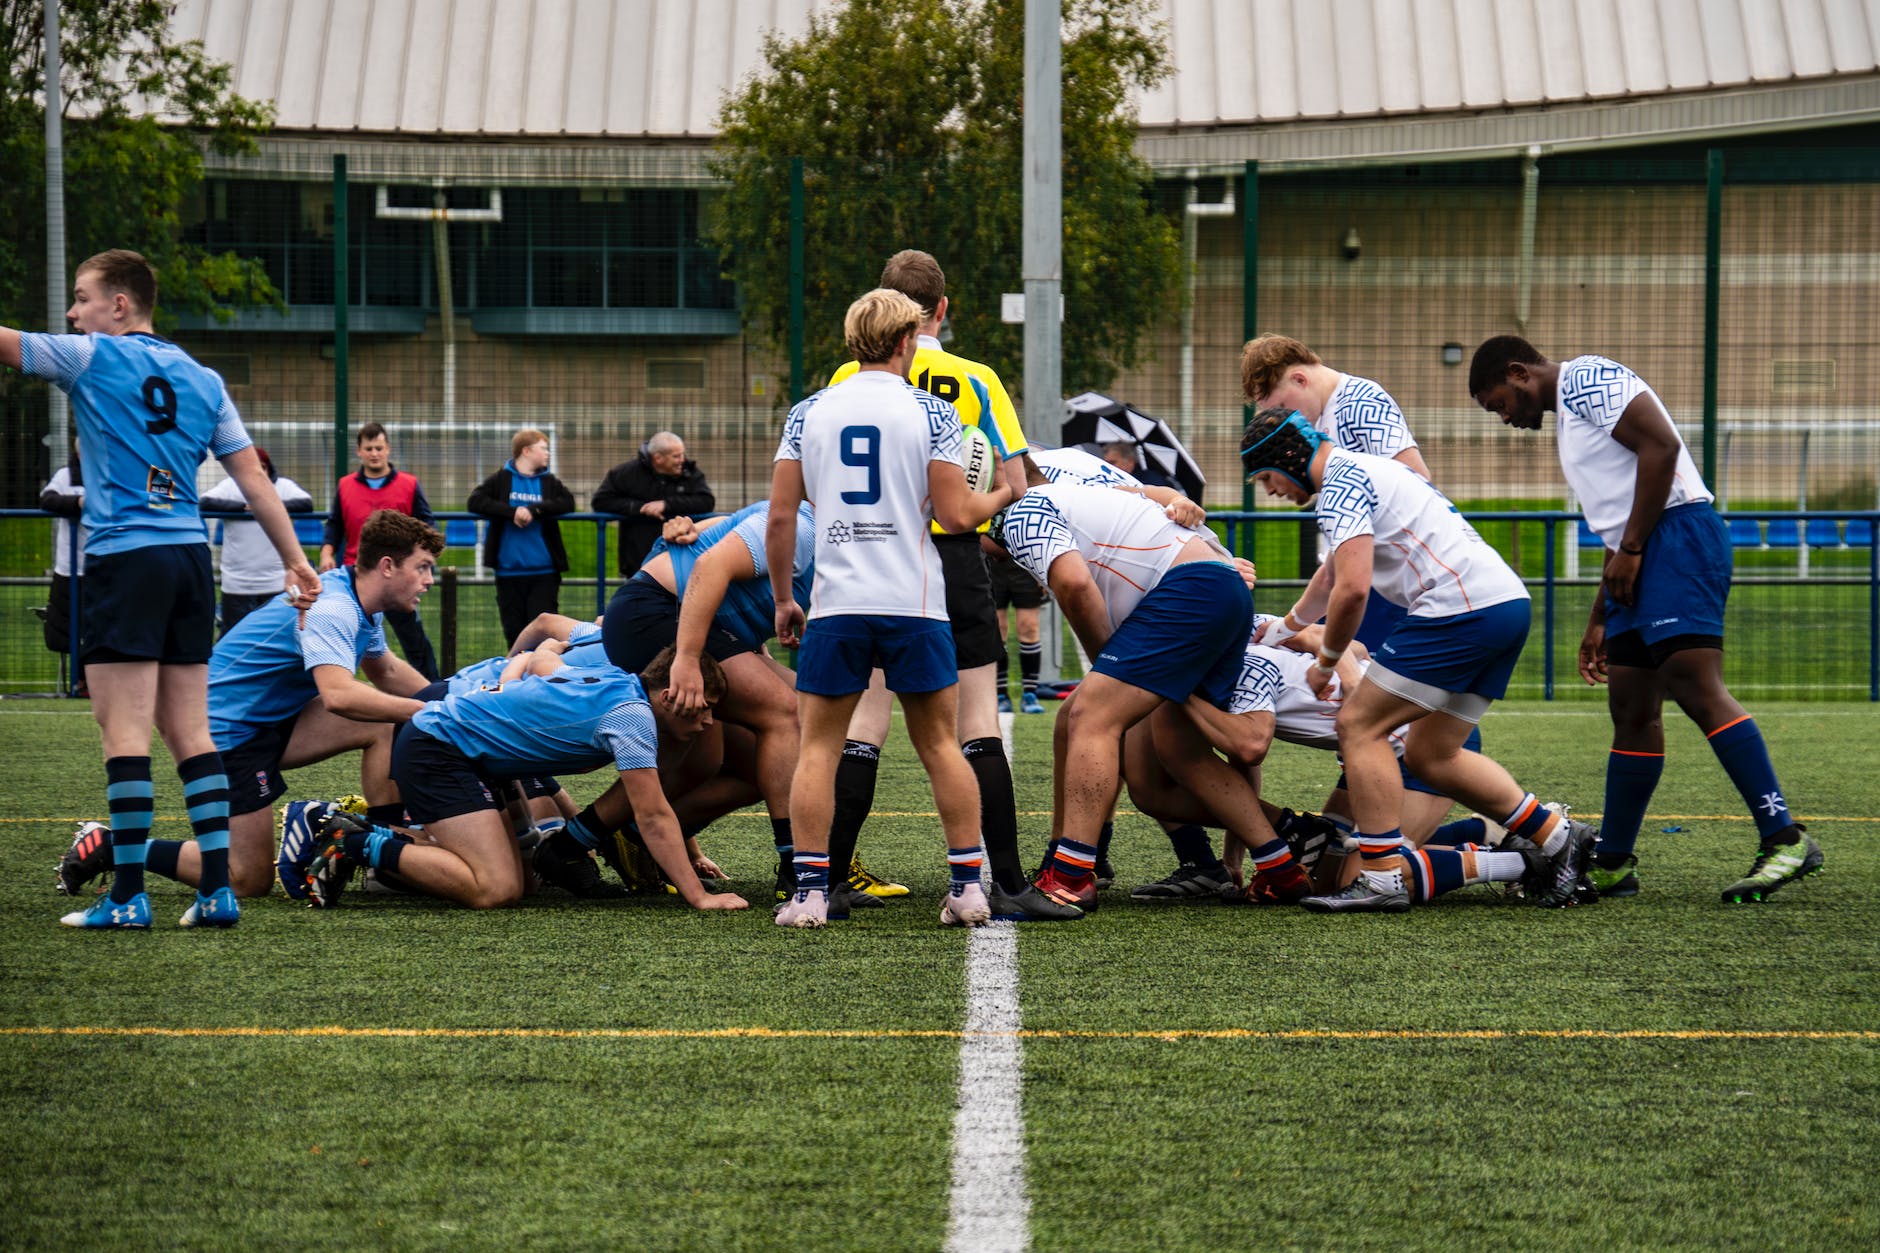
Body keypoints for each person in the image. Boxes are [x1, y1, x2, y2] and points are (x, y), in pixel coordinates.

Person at [2, 247, 321, 930]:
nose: (72, 312)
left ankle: (124, 896)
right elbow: (254, 482)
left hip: (127, 558)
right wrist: (295, 559)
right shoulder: (203, 378)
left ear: (120, 304)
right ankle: (215, 892)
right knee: (191, 731)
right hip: (187, 559)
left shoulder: (90, 356)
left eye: (82, 297)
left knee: (122, 729)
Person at [1469, 336, 1823, 903]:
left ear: (1518, 373)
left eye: (1499, 404)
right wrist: (1601, 616)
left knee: (1693, 683)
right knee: (1631, 707)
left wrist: (1634, 551)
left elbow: (1660, 448)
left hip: (1679, 537)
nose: (1504, 418)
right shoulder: (1570, 419)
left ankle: (1784, 838)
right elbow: (1620, 513)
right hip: (1641, 551)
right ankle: (1612, 862)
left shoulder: (1586, 377)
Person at [1239, 406, 1595, 913]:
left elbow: (1353, 590)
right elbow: (1331, 577)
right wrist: (1287, 629)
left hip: (1458, 610)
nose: (1269, 489)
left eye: (1265, 475)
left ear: (1289, 457)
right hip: (1505, 605)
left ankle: (1382, 878)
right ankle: (1560, 838)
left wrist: (1326, 660)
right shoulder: (1369, 469)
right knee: (1433, 754)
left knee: (1359, 725)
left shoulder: (1339, 486)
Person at [822, 250, 1066, 919]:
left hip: (869, 560)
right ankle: (1010, 884)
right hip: (953, 560)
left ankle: (830, 879)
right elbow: (1016, 483)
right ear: (943, 309)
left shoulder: (848, 376)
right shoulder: (977, 379)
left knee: (864, 721)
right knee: (976, 719)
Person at [765, 287, 1014, 929]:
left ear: (852, 342)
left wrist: (784, 598)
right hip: (915, 600)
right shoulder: (933, 414)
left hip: (837, 601)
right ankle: (966, 888)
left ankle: (813, 894)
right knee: (939, 745)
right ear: (907, 341)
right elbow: (958, 514)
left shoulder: (808, 412)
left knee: (819, 748)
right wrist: (1002, 495)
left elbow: (781, 517)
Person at [55, 510, 444, 904]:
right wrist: (429, 712)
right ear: (388, 566)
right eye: (423, 568)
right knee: (246, 879)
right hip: (225, 732)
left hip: (274, 720)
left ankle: (384, 863)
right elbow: (339, 696)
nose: (429, 580)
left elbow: (388, 671)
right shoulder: (334, 607)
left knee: (382, 725)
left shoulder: (362, 604)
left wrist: (454, 699)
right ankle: (110, 846)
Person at [994, 474, 1311, 913]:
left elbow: (1075, 585)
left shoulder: (1017, 512)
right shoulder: (1056, 488)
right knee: (1154, 782)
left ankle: (1069, 876)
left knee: (1089, 716)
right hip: (1212, 587)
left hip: (1189, 592)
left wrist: (1103, 659)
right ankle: (1282, 863)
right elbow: (1143, 496)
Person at [307, 645, 747, 913]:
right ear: (670, 695)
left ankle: (354, 832)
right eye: (705, 705)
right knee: (494, 890)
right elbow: (651, 815)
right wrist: (698, 896)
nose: (710, 721)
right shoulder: (632, 716)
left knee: (526, 881)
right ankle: (351, 843)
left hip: (467, 749)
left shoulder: (619, 682)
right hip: (438, 746)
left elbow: (544, 665)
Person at [320, 421, 439, 680]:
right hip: (359, 576)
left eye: (379, 448)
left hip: (398, 575)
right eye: (369, 448)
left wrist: (422, 564)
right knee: (351, 637)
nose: (374, 453)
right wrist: (327, 552)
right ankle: (340, 681)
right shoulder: (345, 486)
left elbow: (427, 524)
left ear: (388, 450)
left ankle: (432, 688)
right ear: (359, 452)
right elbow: (335, 524)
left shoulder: (409, 484)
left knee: (413, 639)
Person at [468, 428, 576, 646]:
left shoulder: (549, 482)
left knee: (544, 634)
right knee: (514, 632)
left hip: (544, 572)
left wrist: (534, 510)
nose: (547, 453)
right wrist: (512, 512)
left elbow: (567, 502)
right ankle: (515, 677)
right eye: (543, 448)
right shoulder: (500, 479)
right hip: (509, 572)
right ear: (526, 451)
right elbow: (476, 501)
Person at [201, 446, 315, 635]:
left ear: (269, 468)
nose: (258, 472)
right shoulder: (230, 486)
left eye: (262, 467)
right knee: (233, 638)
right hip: (237, 582)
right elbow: (205, 502)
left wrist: (267, 506)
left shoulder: (283, 487)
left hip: (277, 582)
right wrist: (244, 507)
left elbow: (306, 503)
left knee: (275, 639)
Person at [592, 432, 715, 578]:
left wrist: (667, 505)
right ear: (658, 458)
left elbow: (706, 501)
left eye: (682, 455)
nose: (681, 460)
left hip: (681, 557)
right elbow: (601, 501)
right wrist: (639, 508)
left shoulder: (690, 472)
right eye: (676, 456)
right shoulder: (626, 473)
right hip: (638, 558)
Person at [38, 443, 86, 678]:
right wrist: (76, 504)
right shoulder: (65, 475)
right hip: (71, 568)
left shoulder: (117, 470)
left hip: (109, 566)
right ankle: (78, 683)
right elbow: (47, 500)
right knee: (66, 630)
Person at [1099, 439, 1173, 489]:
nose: (1108, 466)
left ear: (1130, 462)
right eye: (1106, 463)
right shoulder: (1106, 480)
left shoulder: (1152, 480)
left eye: (1112, 463)